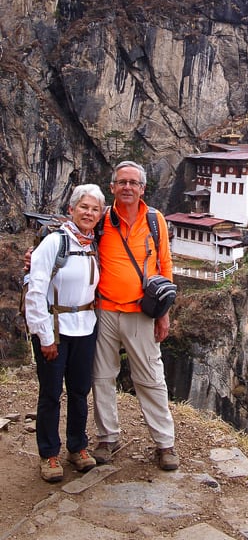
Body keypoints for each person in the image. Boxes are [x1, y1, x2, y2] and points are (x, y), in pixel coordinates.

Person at [91, 160, 179, 471]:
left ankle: (164, 443)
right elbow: (69, 235)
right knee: (102, 376)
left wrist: (163, 314)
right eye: (121, 182)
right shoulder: (100, 220)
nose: (127, 187)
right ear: (112, 187)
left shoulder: (155, 221)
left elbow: (165, 266)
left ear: (142, 189)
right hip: (103, 310)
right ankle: (107, 437)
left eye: (133, 183)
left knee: (151, 378)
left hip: (141, 311)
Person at [25, 183, 105, 483]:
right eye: (84, 206)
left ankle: (78, 446)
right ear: (71, 209)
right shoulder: (54, 243)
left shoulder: (92, 245)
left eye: (95, 209)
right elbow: (35, 290)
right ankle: (48, 453)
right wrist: (44, 337)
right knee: (50, 393)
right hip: (55, 329)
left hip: (85, 327)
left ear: (100, 215)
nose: (89, 213)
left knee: (80, 390)